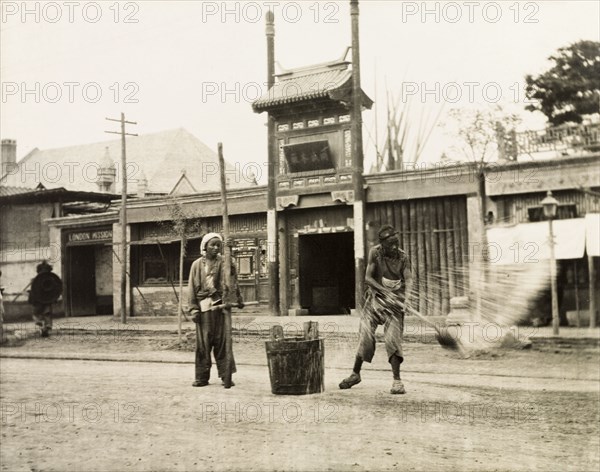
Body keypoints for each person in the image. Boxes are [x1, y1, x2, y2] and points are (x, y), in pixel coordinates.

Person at [339, 224, 414, 394]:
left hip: (395, 306)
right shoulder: (376, 252)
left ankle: (397, 382)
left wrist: (406, 299)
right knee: (365, 337)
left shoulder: (403, 257)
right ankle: (355, 374)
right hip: (374, 303)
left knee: (392, 341)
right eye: (390, 245)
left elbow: (408, 280)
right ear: (383, 245)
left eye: (396, 243)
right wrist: (385, 292)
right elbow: (368, 278)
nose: (394, 247)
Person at [188, 233, 244, 388]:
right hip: (204, 309)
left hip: (221, 307)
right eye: (212, 244)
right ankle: (201, 377)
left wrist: (230, 252)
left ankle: (226, 375)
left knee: (223, 341)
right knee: (203, 344)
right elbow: (192, 288)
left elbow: (232, 279)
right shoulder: (197, 265)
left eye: (218, 245)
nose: (215, 248)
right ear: (205, 246)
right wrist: (193, 309)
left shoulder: (224, 262)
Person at [29, 260, 60, 338]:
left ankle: (41, 326)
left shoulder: (35, 280)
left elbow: (33, 291)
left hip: (38, 301)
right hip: (47, 300)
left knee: (36, 314)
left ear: (38, 271)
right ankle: (46, 327)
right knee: (47, 314)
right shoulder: (52, 279)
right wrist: (54, 299)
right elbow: (56, 290)